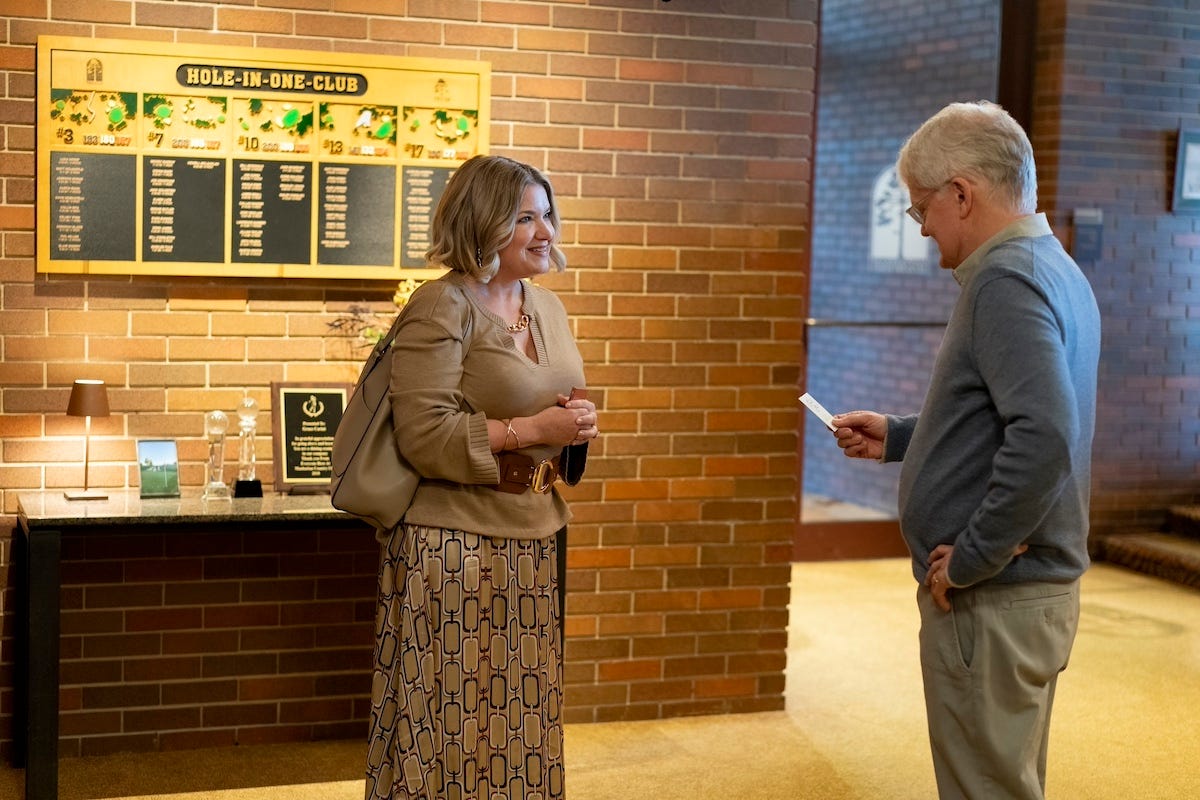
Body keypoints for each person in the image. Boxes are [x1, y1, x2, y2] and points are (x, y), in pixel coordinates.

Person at [829, 101, 1101, 800]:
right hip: (1015, 595)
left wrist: (974, 556)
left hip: (993, 598)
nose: (921, 227)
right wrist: (899, 437)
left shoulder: (1003, 280)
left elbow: (1044, 436)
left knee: (985, 787)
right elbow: (1004, 419)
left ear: (961, 192)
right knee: (1002, 777)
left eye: (923, 207)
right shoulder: (1048, 264)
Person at [364, 155, 598, 800]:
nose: (545, 230)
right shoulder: (440, 306)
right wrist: (532, 431)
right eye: (525, 217)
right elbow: (425, 435)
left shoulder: (546, 306)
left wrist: (574, 424)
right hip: (452, 539)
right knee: (448, 710)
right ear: (482, 223)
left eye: (546, 213)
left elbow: (547, 407)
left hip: (537, 527)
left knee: (522, 710)